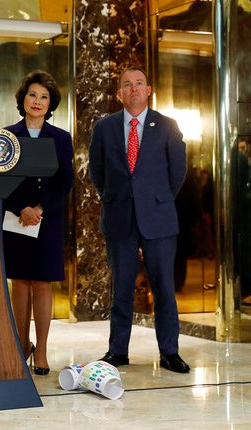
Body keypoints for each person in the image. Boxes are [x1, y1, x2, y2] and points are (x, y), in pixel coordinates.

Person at [89, 66, 190, 373]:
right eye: (126, 84)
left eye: (139, 83)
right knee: (120, 288)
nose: (133, 88)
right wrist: (116, 196)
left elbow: (178, 172)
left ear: (148, 90)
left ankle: (170, 352)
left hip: (158, 218)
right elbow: (97, 172)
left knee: (163, 288)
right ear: (119, 92)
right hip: (120, 217)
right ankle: (117, 351)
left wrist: (155, 199)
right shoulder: (104, 127)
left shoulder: (168, 126)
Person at [2, 70, 74, 376]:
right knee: (20, 281)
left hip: (48, 218)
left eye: (44, 97)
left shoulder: (61, 138)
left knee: (42, 283)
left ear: (51, 103)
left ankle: (42, 351)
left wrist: (41, 209)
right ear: (23, 99)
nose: (37, 101)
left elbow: (65, 180)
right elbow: (0, 177)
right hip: (16, 218)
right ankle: (22, 344)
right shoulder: (6, 135)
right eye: (32, 95)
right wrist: (22, 208)